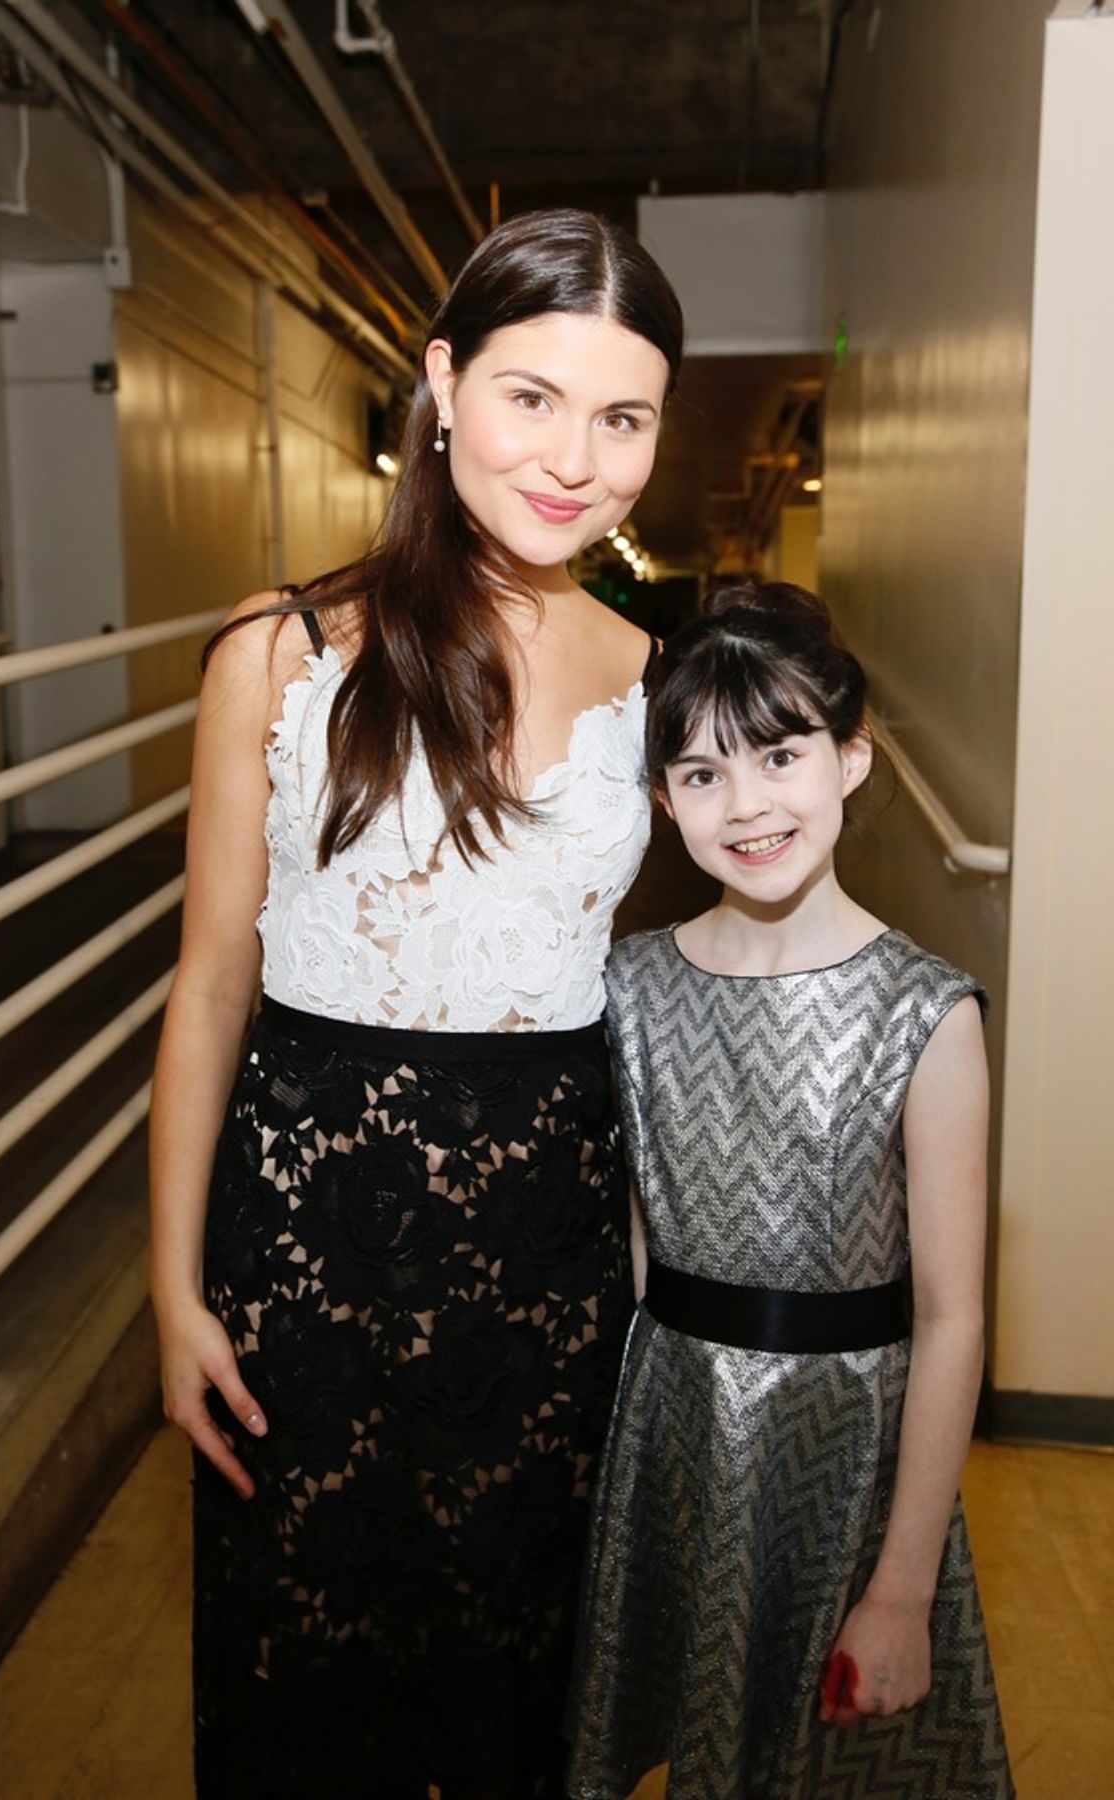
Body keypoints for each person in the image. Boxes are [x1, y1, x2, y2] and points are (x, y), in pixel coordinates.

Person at [148, 208, 683, 1799]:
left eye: (623, 417)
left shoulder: (657, 678)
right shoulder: (282, 650)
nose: (575, 459)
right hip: (310, 1243)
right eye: (532, 397)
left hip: (553, 1252)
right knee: (306, 1683)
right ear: (444, 382)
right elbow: (209, 982)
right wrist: (172, 1291)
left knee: (518, 1685)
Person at [565, 581, 1014, 1799]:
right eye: (702, 774)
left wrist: (904, 1583)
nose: (748, 803)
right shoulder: (629, 988)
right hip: (674, 1439)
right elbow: (641, 1255)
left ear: (853, 759)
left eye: (780, 753)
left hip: (846, 1458)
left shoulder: (923, 1013)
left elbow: (952, 1318)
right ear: (662, 801)